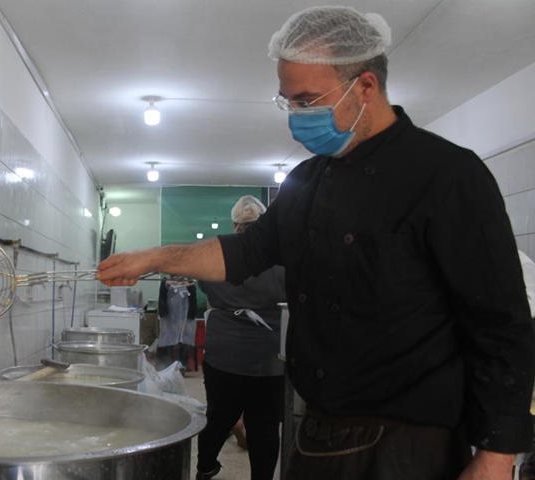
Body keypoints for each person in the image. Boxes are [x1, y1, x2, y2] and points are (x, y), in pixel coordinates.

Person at [97, 6, 535, 480]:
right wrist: (155, 258)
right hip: (318, 428)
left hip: (409, 443)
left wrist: (496, 454)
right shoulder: (306, 181)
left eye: (307, 101)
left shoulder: (447, 175)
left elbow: (501, 324)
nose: (296, 118)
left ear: (365, 86)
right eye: (288, 103)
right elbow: (243, 253)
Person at [196, 195, 286, 480]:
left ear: (235, 225)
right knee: (265, 425)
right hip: (270, 357)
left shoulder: (218, 254)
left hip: (224, 354)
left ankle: (205, 468)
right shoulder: (282, 255)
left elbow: (206, 287)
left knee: (218, 417)